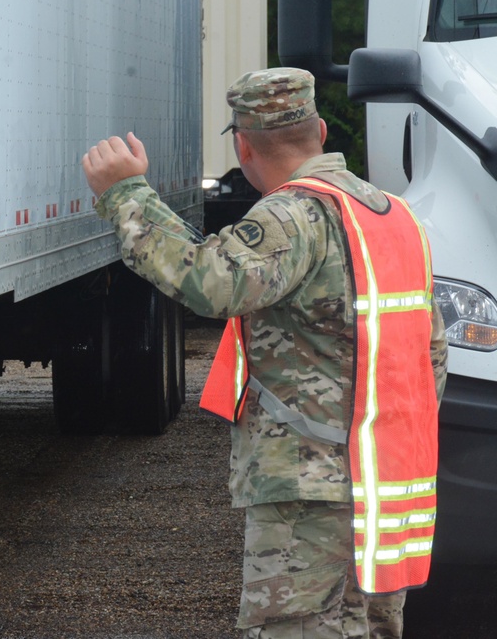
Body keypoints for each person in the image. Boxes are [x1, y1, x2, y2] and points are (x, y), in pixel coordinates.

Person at [82, 67, 448, 638]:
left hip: (312, 489)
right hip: (386, 488)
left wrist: (126, 194)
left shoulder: (294, 215)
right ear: (322, 132)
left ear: (242, 144)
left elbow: (212, 281)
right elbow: (432, 356)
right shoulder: (399, 220)